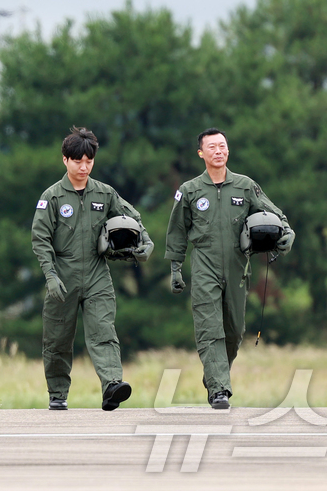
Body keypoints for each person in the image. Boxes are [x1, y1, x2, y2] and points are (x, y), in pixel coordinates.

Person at [165, 127, 294, 409]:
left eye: (222, 146)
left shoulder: (245, 186)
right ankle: (219, 388)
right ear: (201, 153)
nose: (218, 151)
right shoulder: (189, 191)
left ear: (228, 150)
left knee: (234, 330)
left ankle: (214, 374)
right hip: (204, 266)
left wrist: (286, 233)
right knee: (210, 328)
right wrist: (175, 269)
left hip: (238, 266)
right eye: (212, 147)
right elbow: (176, 232)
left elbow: (273, 213)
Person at [31, 127, 153, 411]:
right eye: (78, 161)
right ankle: (58, 393)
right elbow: (40, 238)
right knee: (57, 339)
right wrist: (50, 275)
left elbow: (131, 217)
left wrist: (145, 242)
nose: (84, 167)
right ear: (65, 160)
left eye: (89, 161)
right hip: (62, 274)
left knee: (103, 331)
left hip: (98, 274)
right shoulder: (51, 197)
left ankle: (112, 386)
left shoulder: (105, 193)